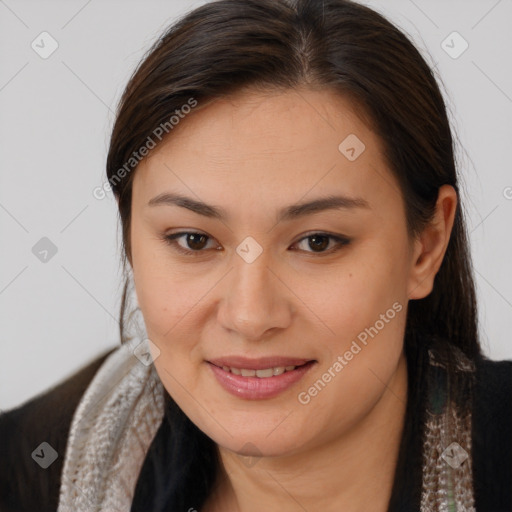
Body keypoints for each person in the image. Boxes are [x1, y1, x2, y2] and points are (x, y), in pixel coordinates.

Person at [1, 0, 511, 511]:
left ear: (426, 245)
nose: (250, 316)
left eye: (318, 242)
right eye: (194, 240)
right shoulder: (28, 472)